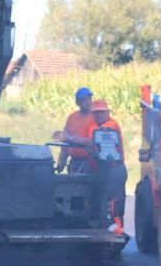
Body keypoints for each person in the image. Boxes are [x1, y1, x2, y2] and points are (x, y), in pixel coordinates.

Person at [54, 98, 127, 235]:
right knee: (96, 201)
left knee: (111, 202)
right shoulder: (91, 124)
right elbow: (78, 140)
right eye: (96, 113)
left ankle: (116, 233)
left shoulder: (110, 126)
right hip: (98, 169)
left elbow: (93, 141)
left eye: (101, 112)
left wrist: (69, 138)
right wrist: (66, 139)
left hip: (113, 169)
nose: (99, 115)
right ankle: (97, 230)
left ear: (108, 112)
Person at [54, 87, 97, 173]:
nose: (88, 102)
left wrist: (69, 138)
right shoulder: (72, 118)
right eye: (84, 100)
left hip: (91, 162)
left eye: (89, 99)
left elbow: (92, 141)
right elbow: (65, 143)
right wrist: (61, 163)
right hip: (74, 162)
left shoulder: (96, 117)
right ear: (77, 103)